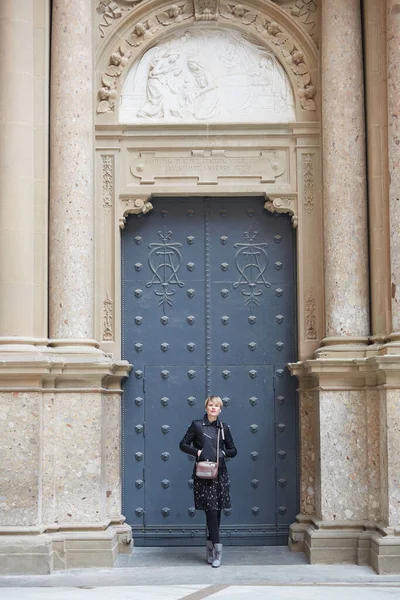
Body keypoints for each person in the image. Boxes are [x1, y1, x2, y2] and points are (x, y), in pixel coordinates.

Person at [179, 395, 237, 568]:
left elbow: (233, 450)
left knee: (217, 510)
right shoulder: (197, 425)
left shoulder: (223, 428)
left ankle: (210, 547)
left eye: (216, 406)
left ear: (220, 410)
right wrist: (197, 452)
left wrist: (224, 453)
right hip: (204, 473)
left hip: (220, 473)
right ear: (206, 408)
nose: (213, 408)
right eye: (210, 405)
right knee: (211, 509)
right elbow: (183, 444)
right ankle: (217, 552)